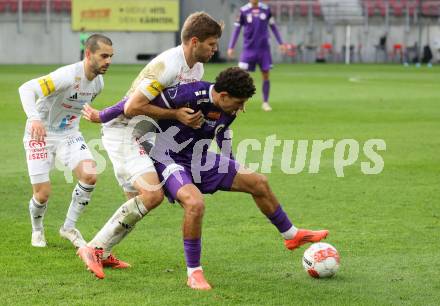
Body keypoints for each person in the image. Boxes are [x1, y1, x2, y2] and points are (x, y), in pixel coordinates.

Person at [80, 67, 329, 290]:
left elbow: (222, 133)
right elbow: (133, 103)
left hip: (201, 158)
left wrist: (232, 163)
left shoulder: (228, 107)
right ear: (222, 96)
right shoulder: (188, 94)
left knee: (258, 182)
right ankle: (194, 273)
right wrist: (101, 116)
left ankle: (291, 235)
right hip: (168, 158)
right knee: (195, 204)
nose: (241, 108)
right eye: (239, 103)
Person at [76, 12, 223, 278]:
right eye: (211, 44)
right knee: (152, 195)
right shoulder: (169, 64)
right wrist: (176, 115)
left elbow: (174, 102)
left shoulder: (196, 68)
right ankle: (93, 248)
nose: (216, 49)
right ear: (194, 41)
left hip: (144, 134)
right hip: (124, 131)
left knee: (136, 204)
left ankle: (103, 252)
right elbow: (132, 106)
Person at [18, 34, 113, 248]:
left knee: (90, 175)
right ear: (88, 54)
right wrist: (34, 119)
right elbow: (26, 88)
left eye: (111, 56)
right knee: (42, 195)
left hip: (69, 134)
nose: (108, 61)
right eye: (104, 56)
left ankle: (68, 227)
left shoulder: (98, 83)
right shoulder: (66, 75)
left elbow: (76, 107)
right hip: (40, 134)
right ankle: (37, 229)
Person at [227, 0, 286, 112]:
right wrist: (231, 46)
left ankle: (265, 102)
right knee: (242, 77)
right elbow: (237, 30)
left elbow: (273, 27)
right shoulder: (243, 11)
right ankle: (241, 103)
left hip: (264, 50)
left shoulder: (266, 9)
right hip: (249, 49)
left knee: (266, 75)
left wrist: (281, 43)